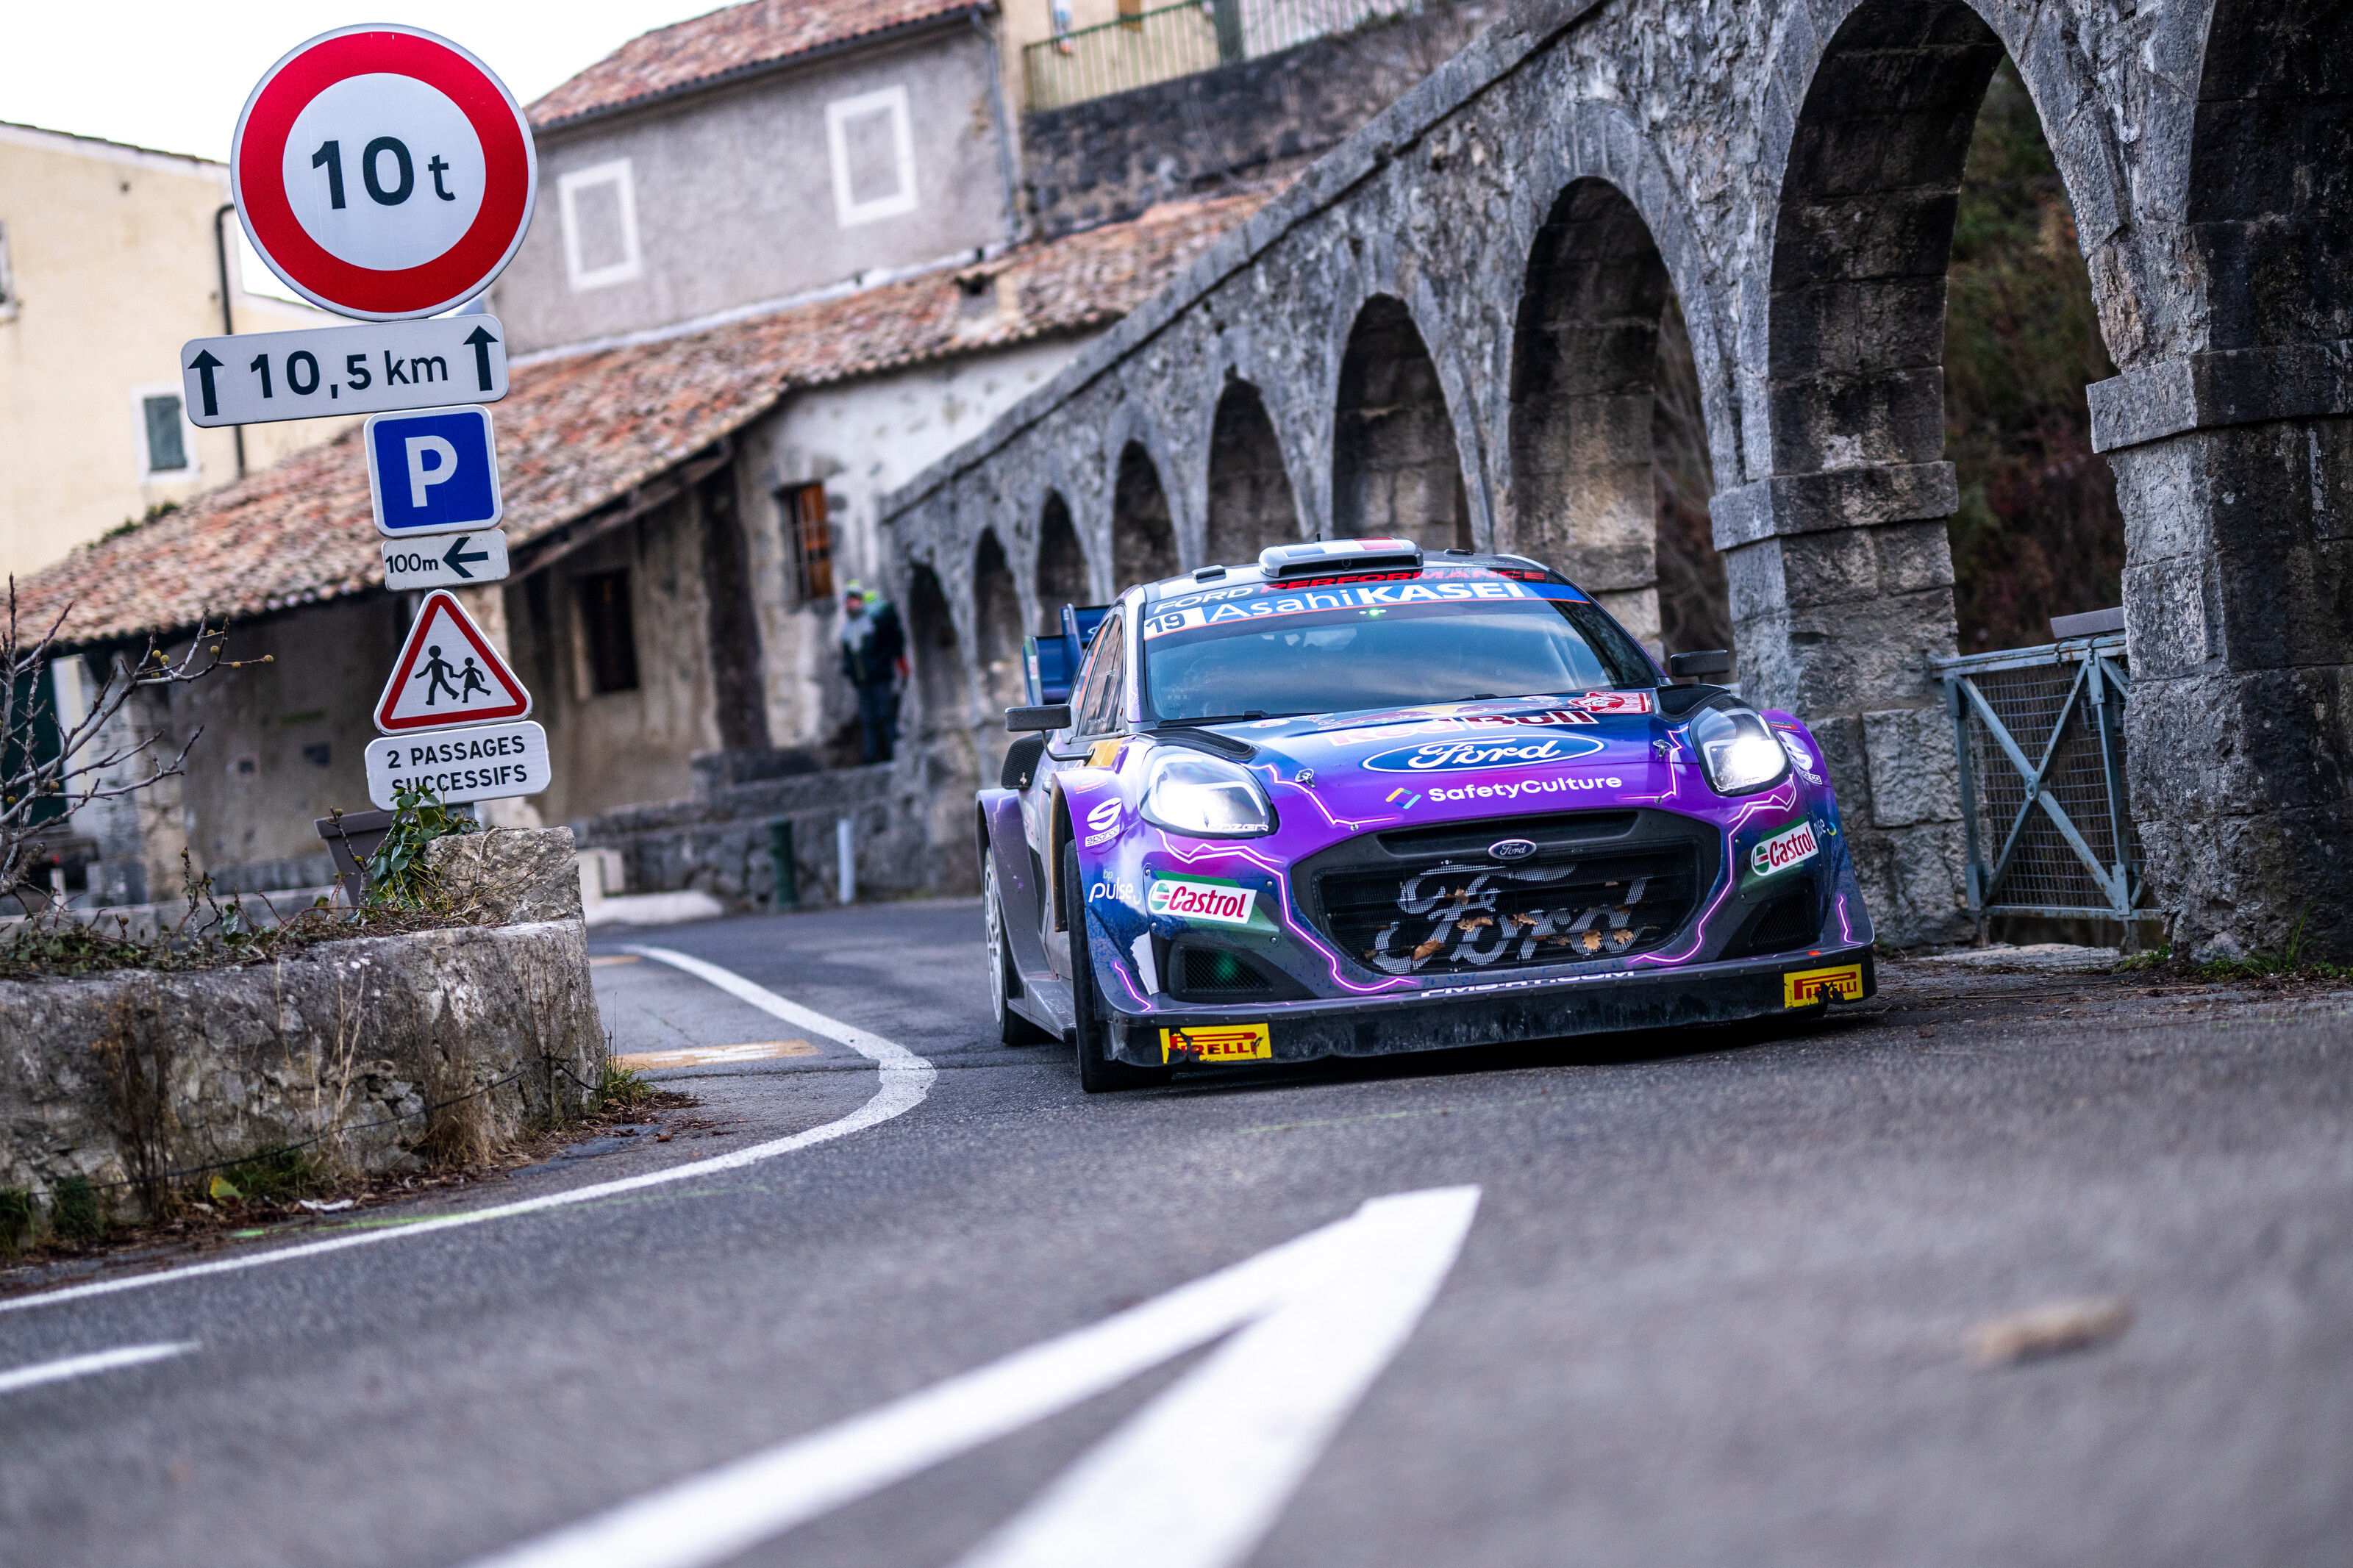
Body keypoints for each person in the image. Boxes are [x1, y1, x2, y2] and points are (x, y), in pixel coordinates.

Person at [839, 581, 907, 763]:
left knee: (886, 716)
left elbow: (888, 646)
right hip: (862, 682)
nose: (851, 604)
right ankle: (871, 758)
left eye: (854, 600)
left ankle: (894, 754)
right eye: (848, 601)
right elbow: (849, 656)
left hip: (879, 678)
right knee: (867, 720)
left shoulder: (874, 622)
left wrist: (879, 664)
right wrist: (850, 672)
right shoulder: (848, 629)